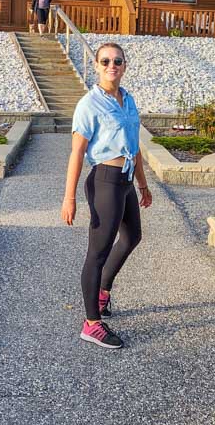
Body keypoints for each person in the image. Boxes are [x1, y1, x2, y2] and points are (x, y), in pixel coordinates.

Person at [60, 42, 152, 349]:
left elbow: (134, 145)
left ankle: (102, 292)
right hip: (104, 182)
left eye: (117, 61)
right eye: (105, 61)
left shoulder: (128, 100)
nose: (112, 65)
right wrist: (68, 197)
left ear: (125, 66)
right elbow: (77, 153)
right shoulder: (89, 104)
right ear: (97, 66)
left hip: (125, 180)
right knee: (96, 253)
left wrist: (143, 184)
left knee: (132, 237)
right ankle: (91, 323)